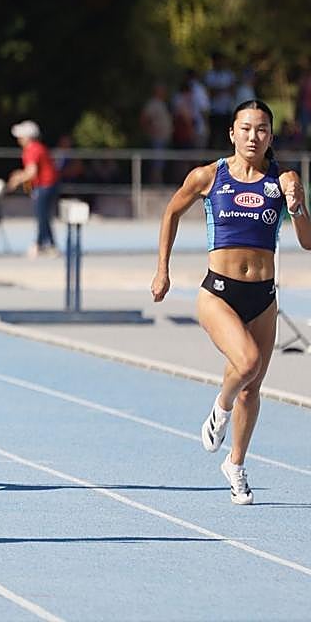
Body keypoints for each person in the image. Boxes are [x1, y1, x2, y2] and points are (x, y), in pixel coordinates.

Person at [151, 99, 311, 505]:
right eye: (246, 128)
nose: (253, 136)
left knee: (251, 389)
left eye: (261, 129)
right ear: (232, 133)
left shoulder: (284, 179)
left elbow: (307, 241)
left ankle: (235, 464)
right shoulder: (209, 176)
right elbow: (171, 212)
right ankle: (219, 410)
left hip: (264, 296)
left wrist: (297, 206)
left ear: (271, 136)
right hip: (218, 292)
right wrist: (162, 270)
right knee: (248, 362)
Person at [6, 120, 59, 258]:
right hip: (47, 185)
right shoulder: (37, 148)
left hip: (44, 185)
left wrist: (16, 180)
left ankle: (44, 244)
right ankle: (46, 244)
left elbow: (31, 172)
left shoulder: (32, 150)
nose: (18, 139)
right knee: (43, 216)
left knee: (41, 216)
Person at [139, 82, 173, 184]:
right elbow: (144, 118)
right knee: (157, 162)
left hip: (164, 138)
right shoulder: (153, 104)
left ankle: (158, 182)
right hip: (157, 138)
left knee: (160, 163)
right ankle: (156, 184)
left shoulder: (162, 103)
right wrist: (150, 130)